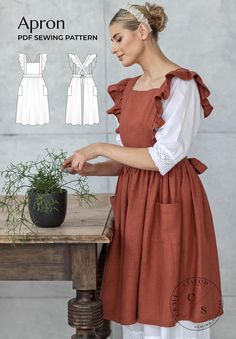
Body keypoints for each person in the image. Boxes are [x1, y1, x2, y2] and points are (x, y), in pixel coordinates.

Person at [60, 2, 224, 338]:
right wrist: (94, 169)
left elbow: (163, 157)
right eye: (112, 42)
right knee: (139, 292)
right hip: (134, 203)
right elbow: (129, 158)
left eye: (119, 39)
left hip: (171, 200)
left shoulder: (181, 86)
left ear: (143, 33)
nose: (114, 49)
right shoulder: (129, 90)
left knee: (168, 287)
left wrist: (98, 147)